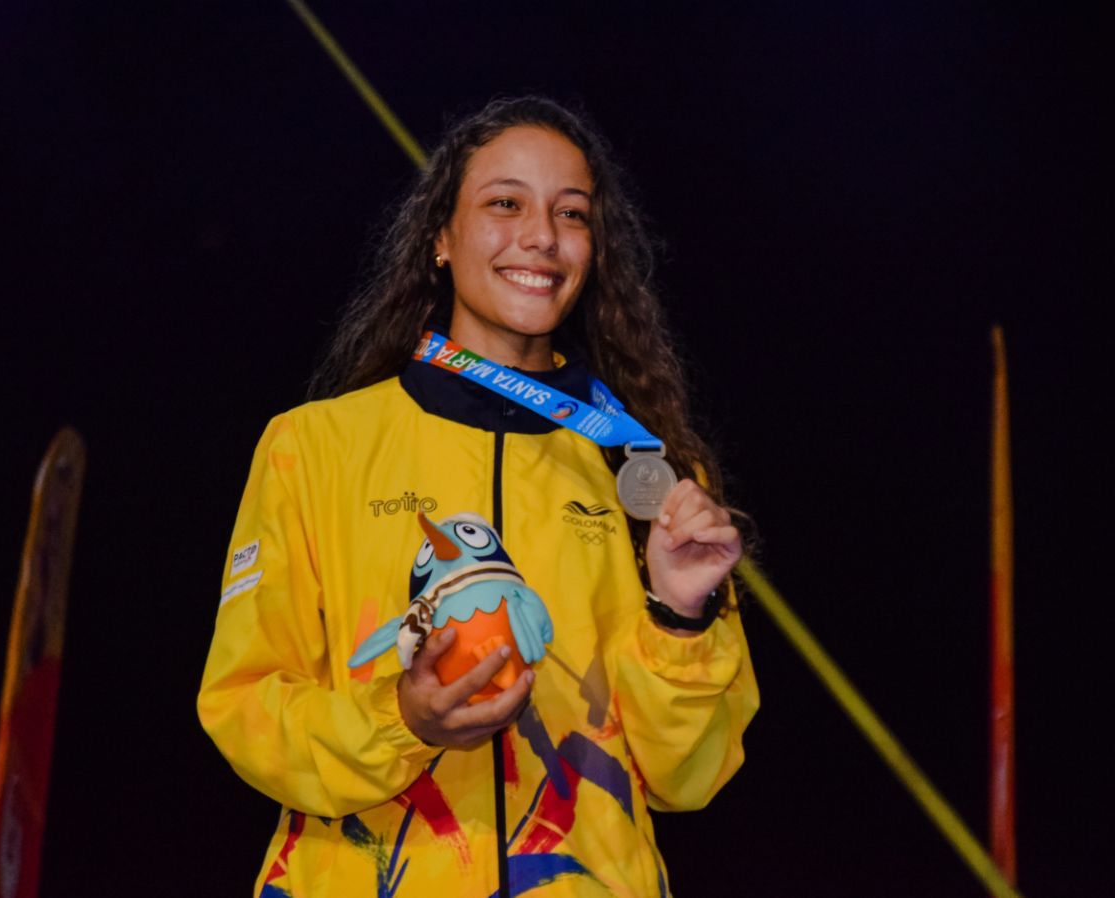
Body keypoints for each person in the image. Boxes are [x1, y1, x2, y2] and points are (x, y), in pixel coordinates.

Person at [198, 96, 759, 898]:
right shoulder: (314, 447)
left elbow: (690, 776)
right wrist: (405, 720)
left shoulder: (648, 475)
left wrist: (679, 617)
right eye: (505, 204)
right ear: (440, 237)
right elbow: (243, 708)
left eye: (572, 214)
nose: (542, 236)